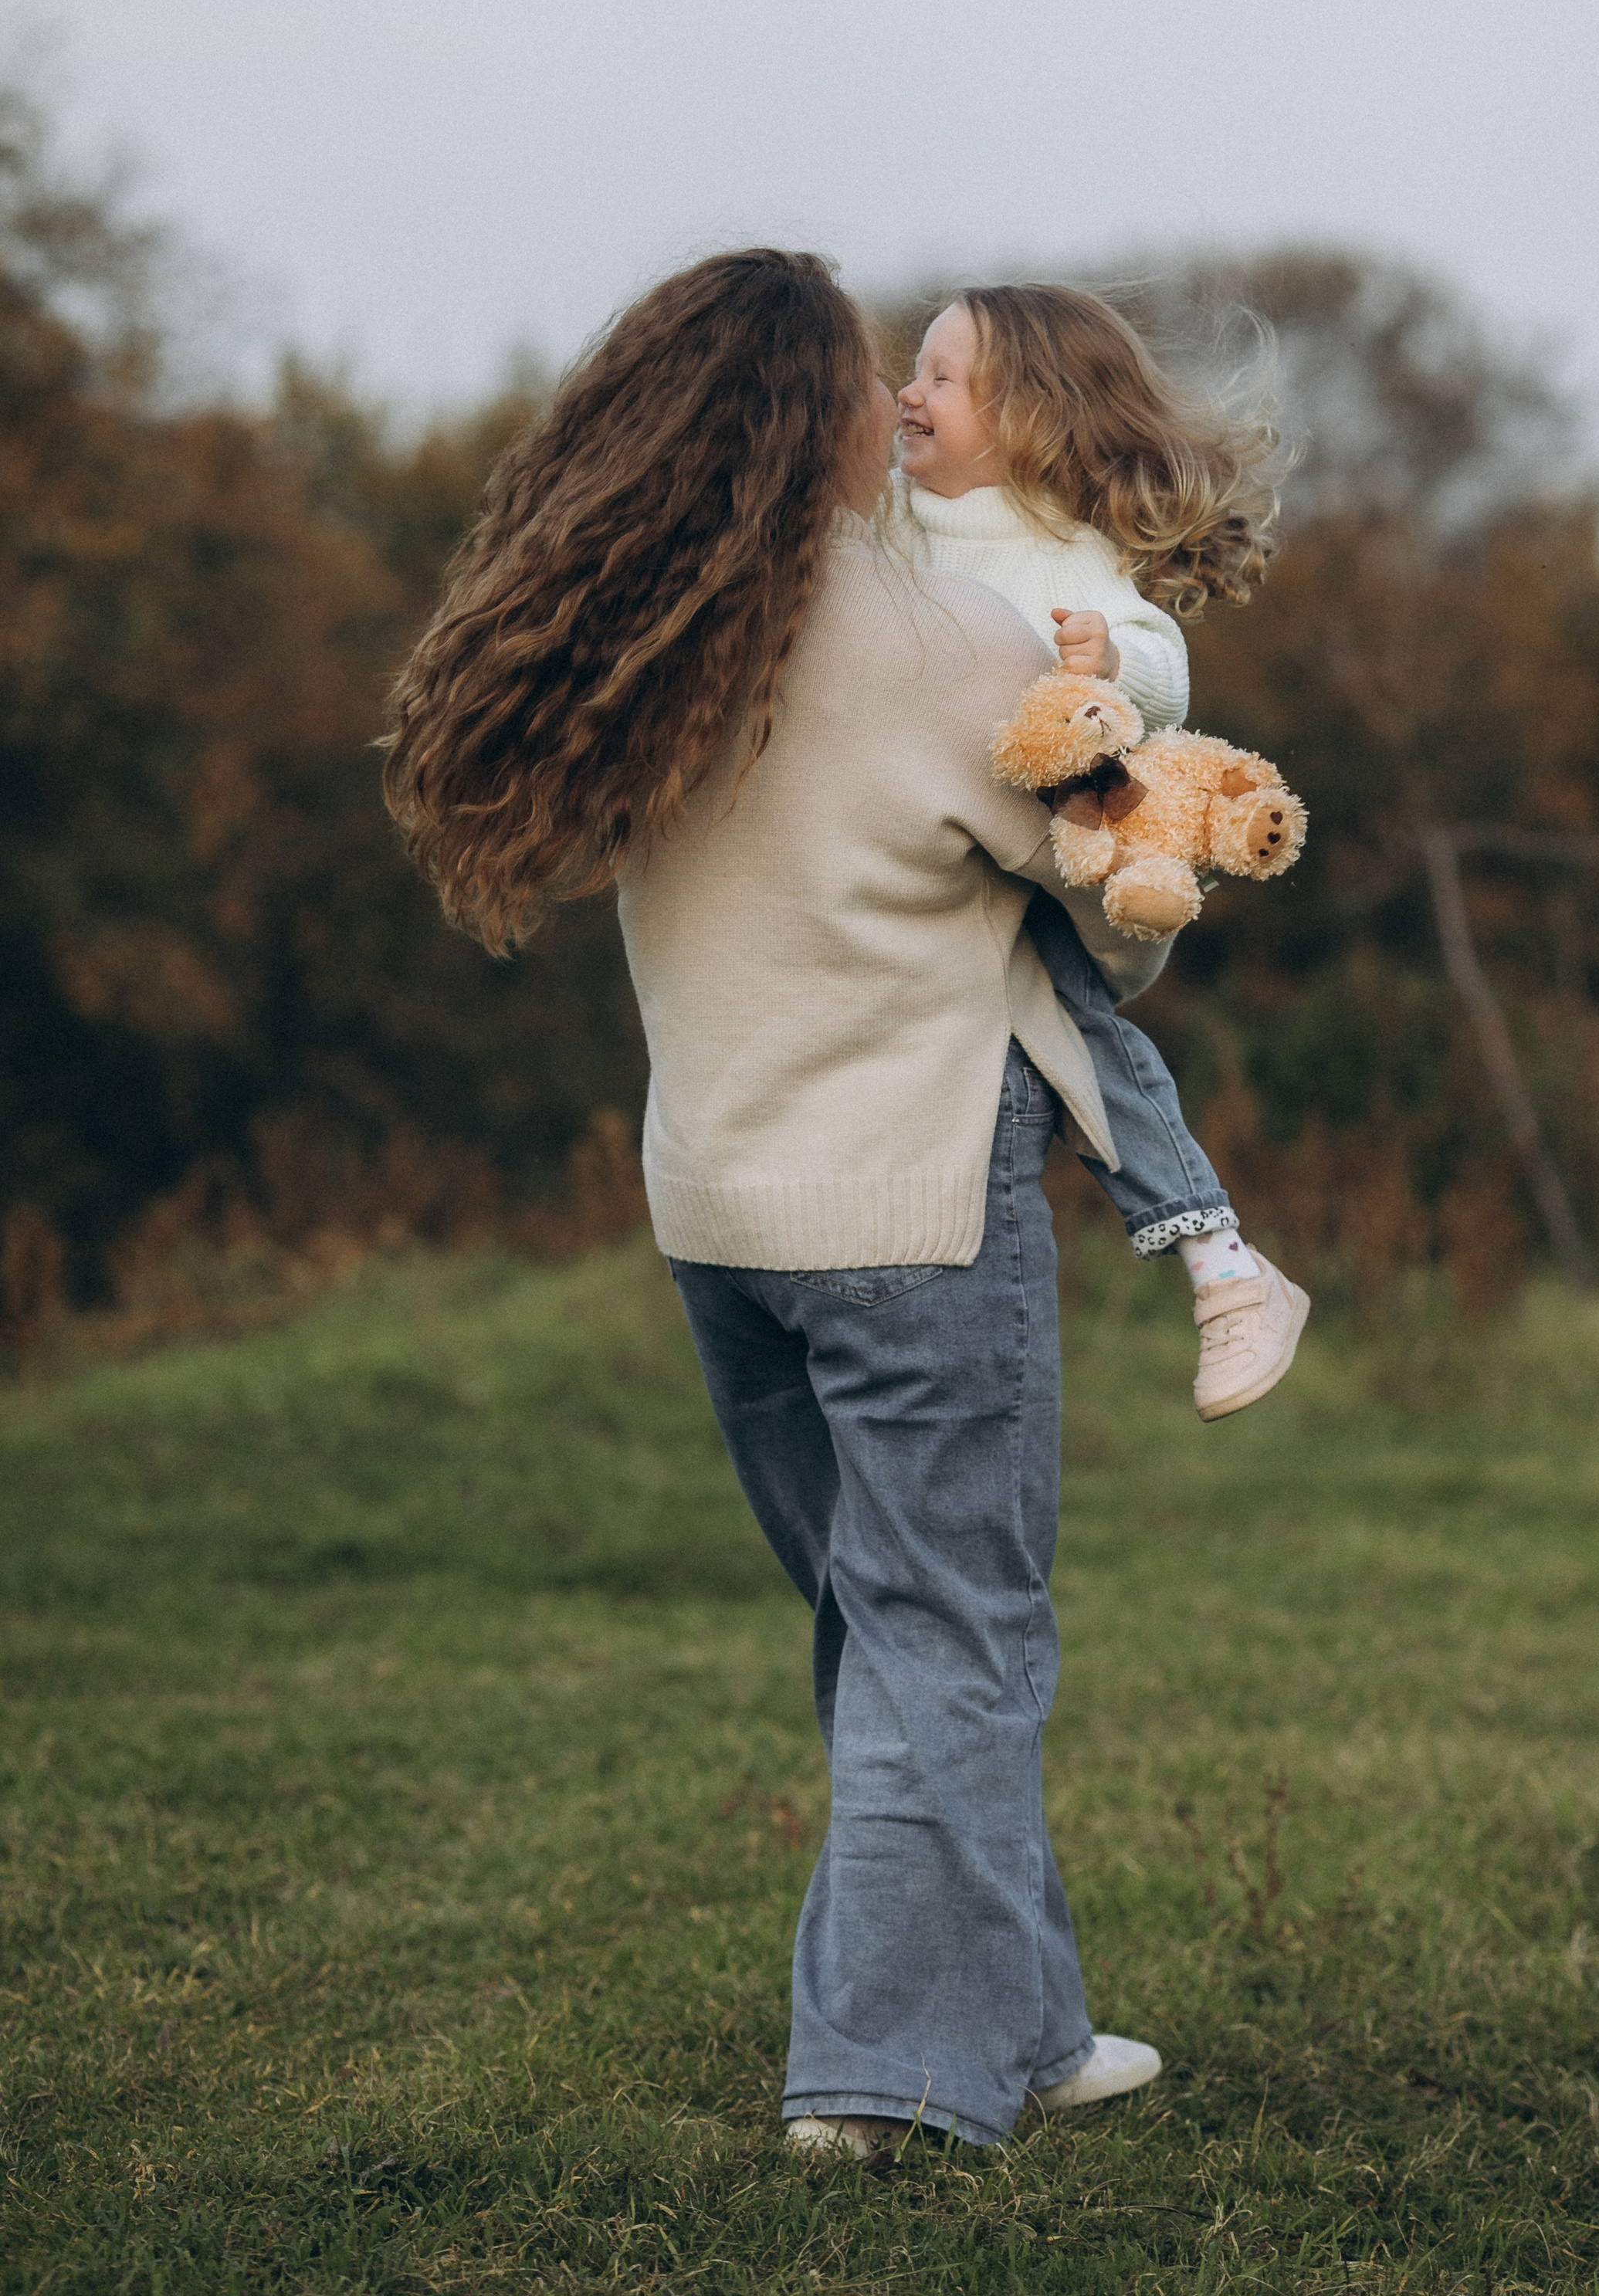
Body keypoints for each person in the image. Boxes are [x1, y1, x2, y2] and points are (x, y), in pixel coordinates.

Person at [381, 249, 1163, 2155]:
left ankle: (1029, 2027)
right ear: (816, 420)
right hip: (909, 1213)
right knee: (947, 1633)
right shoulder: (948, 646)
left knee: (887, 1628)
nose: (897, 405)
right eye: (870, 379)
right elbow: (1113, 933)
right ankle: (879, 2086)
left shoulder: (654, 652)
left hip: (720, 1221)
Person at [893, 281, 1309, 1421]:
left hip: (1053, 865)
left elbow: (1164, 666)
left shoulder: (1062, 550)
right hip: (934, 860)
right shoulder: (886, 517)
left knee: (1079, 1039)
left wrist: (1110, 662)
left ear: (1026, 419)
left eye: (941, 379)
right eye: (912, 371)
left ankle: (1224, 1268)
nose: (908, 395)